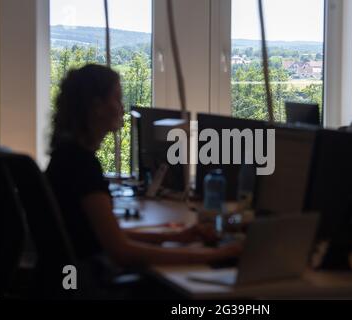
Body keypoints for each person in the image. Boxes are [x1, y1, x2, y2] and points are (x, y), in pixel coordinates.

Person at [46, 64, 240, 269]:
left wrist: (178, 235)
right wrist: (212, 255)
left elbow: (105, 234)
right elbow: (122, 252)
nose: (122, 107)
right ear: (97, 107)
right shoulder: (82, 166)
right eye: (117, 98)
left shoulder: (66, 154)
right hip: (85, 283)